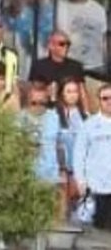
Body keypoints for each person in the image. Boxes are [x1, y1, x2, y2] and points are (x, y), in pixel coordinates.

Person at [73, 84, 111, 231]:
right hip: (96, 188)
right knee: (98, 232)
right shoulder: (89, 125)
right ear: (99, 101)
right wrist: (81, 180)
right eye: (105, 98)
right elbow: (79, 154)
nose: (109, 101)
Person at [57, 0, 107, 76]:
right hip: (69, 65)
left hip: (95, 66)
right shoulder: (60, 7)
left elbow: (104, 38)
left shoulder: (98, 9)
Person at [20, 86, 63, 201]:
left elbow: (59, 145)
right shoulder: (20, 118)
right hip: (27, 175)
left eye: (42, 103)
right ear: (28, 102)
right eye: (34, 103)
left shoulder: (54, 117)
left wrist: (62, 171)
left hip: (50, 175)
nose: (38, 106)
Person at [57, 77, 89, 221]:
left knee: (78, 211)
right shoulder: (54, 115)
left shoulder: (85, 116)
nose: (72, 95)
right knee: (61, 210)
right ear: (62, 94)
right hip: (60, 169)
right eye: (68, 91)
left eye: (75, 91)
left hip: (80, 171)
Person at [29, 31, 88, 107]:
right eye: (62, 44)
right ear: (51, 46)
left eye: (68, 44)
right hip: (47, 108)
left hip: (71, 109)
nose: (66, 47)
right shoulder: (39, 65)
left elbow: (82, 93)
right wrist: (46, 92)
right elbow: (33, 92)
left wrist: (87, 113)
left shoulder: (76, 66)